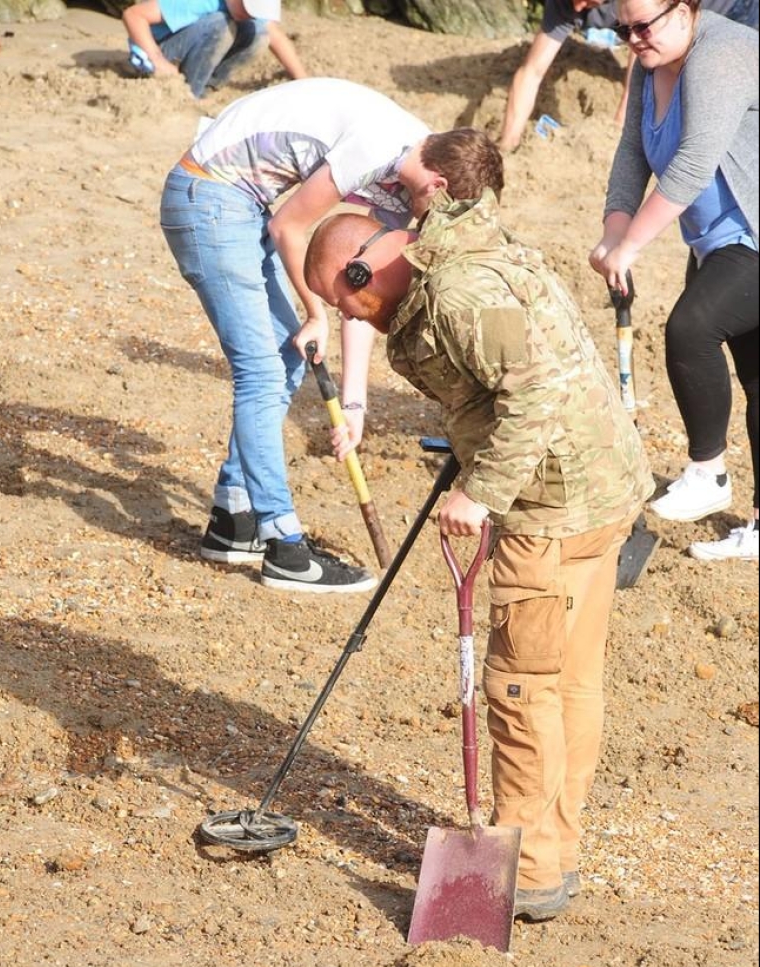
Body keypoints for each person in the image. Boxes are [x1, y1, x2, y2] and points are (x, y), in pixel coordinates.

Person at [303, 178, 654, 919]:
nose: (346, 316)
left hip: (551, 509)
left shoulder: (458, 295)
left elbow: (533, 395)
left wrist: (481, 488)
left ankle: (524, 872)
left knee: (521, 690)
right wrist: (469, 439)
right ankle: (552, 853)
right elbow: (507, 383)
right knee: (567, 682)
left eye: (343, 300)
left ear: (365, 269)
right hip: (596, 487)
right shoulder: (468, 258)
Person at [160, 79, 500, 594]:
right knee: (263, 370)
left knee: (286, 359)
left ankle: (233, 519)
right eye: (443, 214)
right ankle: (284, 548)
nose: (432, 225)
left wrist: (355, 403)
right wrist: (312, 311)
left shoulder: (409, 173)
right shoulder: (380, 145)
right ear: (439, 187)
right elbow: (288, 229)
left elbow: (359, 287)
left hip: (240, 203)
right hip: (209, 195)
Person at [590, 1, 758, 562]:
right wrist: (615, 239)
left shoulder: (722, 51)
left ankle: (709, 473)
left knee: (691, 330)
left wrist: (634, 245)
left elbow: (692, 162)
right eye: (624, 29)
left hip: (751, 235)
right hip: (717, 239)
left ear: (685, 9)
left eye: (645, 25)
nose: (634, 39)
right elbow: (632, 157)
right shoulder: (648, 64)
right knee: (756, 375)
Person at [498, 0, 758, 154]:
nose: (577, 7)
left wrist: (620, 126)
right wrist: (508, 145)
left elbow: (644, 55)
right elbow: (532, 71)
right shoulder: (565, 4)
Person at [122, 0, 305, 99]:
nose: (249, 13)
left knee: (258, 33)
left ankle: (209, 84)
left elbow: (276, 38)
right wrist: (158, 61)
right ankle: (191, 92)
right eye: (247, 7)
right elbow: (133, 15)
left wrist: (304, 82)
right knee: (222, 26)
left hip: (193, 45)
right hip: (159, 51)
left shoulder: (243, 9)